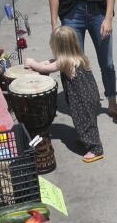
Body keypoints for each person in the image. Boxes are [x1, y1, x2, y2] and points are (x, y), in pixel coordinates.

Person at [25, 26, 105, 163]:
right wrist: (39, 64)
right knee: (84, 121)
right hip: (89, 94)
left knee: (85, 123)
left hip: (82, 99)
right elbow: (49, 62)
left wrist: (32, 63)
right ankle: (86, 141)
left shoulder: (64, 61)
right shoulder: (76, 56)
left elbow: (45, 68)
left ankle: (96, 148)